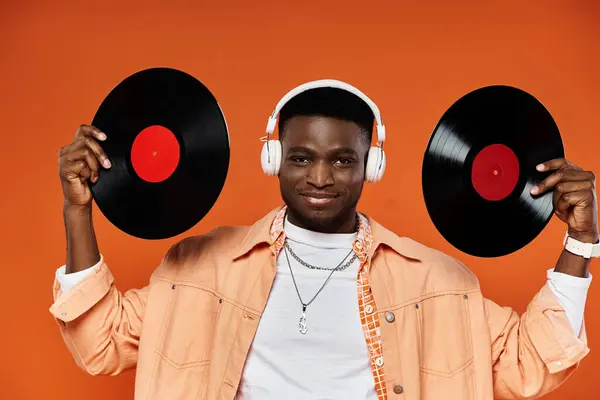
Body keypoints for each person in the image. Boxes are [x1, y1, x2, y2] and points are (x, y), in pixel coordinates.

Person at [50, 80, 597, 400]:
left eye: (342, 160)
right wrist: (78, 211)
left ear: (370, 165)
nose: (319, 178)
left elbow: (532, 364)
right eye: (300, 158)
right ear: (274, 160)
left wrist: (580, 240)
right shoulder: (198, 269)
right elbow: (100, 344)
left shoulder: (438, 284)